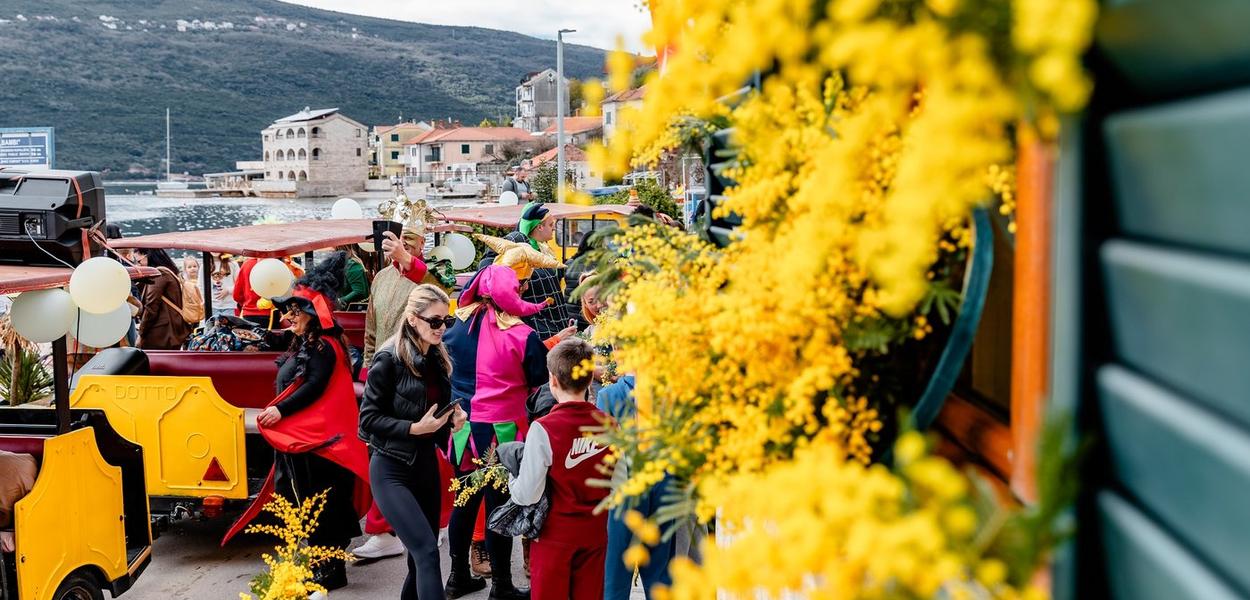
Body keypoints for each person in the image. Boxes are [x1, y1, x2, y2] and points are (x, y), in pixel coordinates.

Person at [222, 284, 371, 592]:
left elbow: (315, 384)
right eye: (288, 311)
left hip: (320, 440)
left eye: (295, 312)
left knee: (322, 505)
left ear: (312, 315)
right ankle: (323, 565)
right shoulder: (310, 341)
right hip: (310, 437)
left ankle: (331, 570)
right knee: (313, 503)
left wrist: (281, 409)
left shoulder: (323, 346)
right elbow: (285, 349)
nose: (289, 317)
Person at [443, 265, 550, 600]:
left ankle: (457, 576)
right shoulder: (523, 335)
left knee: (464, 503)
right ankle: (501, 585)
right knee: (498, 506)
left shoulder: (456, 327)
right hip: (502, 433)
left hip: (462, 428)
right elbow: (539, 380)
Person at [360, 285, 468, 600]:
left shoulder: (437, 358)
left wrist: (452, 420)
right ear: (412, 319)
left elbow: (433, 416)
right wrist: (413, 429)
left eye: (446, 320)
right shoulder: (388, 359)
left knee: (420, 558)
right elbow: (367, 419)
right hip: (390, 468)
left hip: (425, 466)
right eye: (434, 321)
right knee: (427, 552)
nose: (442, 328)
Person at [509, 339, 612, 600]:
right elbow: (619, 486)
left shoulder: (544, 428)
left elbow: (527, 494)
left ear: (552, 380)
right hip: (595, 533)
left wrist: (512, 475)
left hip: (554, 536)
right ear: (590, 379)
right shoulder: (610, 425)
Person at [355, 229, 430, 561]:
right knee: (382, 450)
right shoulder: (381, 278)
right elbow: (371, 329)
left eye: (409, 242)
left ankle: (422, 522)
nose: (401, 247)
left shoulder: (431, 273)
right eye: (398, 242)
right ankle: (385, 530)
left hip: (419, 375)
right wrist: (368, 369)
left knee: (420, 452)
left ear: (421, 244)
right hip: (384, 373)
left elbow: (439, 295)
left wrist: (408, 261)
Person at [477, 203, 569, 339]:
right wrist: (512, 279)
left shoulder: (543, 249)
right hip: (536, 327)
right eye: (551, 225)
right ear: (539, 227)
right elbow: (486, 265)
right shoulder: (517, 239)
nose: (554, 228)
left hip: (553, 324)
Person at [134, 248, 191, 349]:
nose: (138, 265)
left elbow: (151, 305)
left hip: (162, 332)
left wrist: (141, 333)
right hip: (171, 330)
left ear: (148, 256)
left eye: (139, 261)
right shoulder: (168, 271)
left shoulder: (159, 273)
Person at [209, 254, 240, 320]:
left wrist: (228, 290)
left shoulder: (233, 264)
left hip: (230, 306)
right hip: (212, 307)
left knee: (229, 326)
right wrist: (205, 303)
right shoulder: (205, 265)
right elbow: (201, 286)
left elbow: (239, 284)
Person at [180, 256, 206, 324]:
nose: (193, 268)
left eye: (195, 266)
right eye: (189, 267)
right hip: (190, 309)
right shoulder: (185, 283)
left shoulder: (201, 280)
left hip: (201, 307)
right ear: (185, 270)